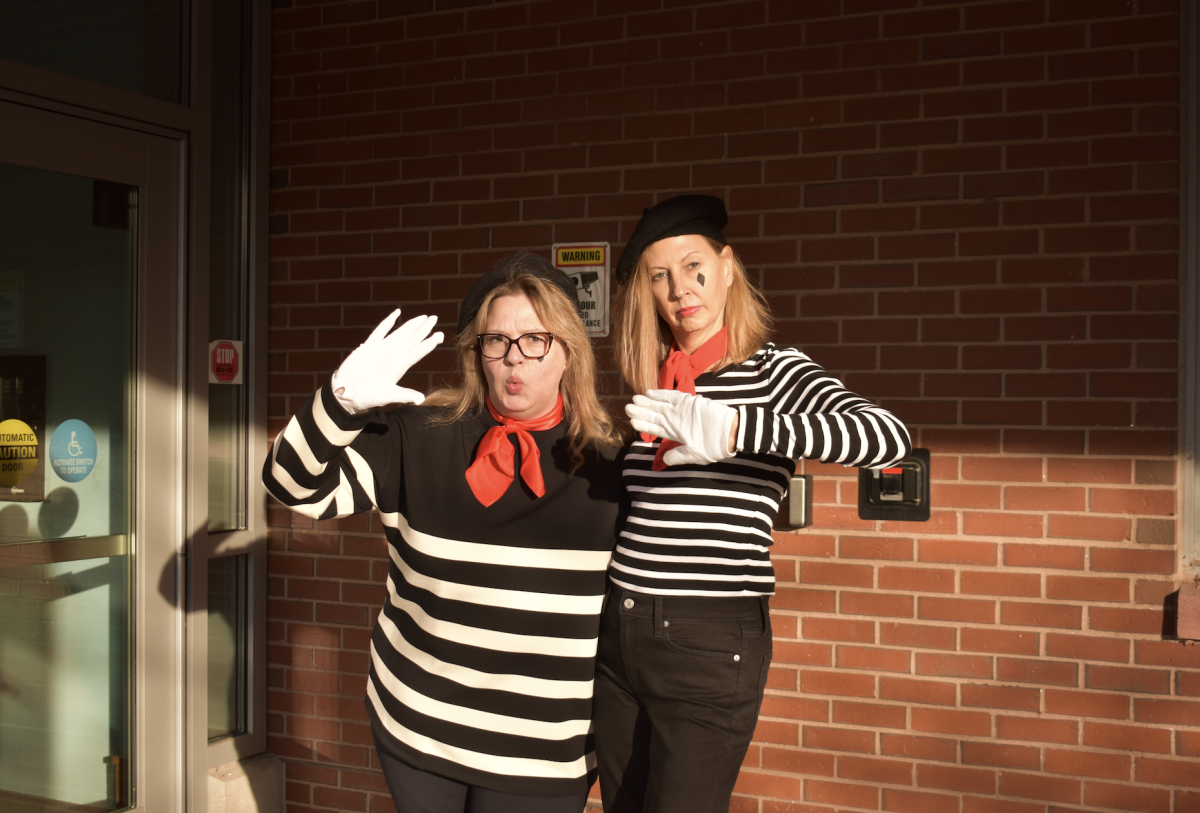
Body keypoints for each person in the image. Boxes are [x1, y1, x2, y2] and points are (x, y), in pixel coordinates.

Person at [263, 253, 625, 813]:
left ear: (568, 351)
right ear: (476, 352)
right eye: (495, 340)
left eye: (535, 340)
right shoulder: (419, 436)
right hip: (419, 726)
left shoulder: (609, 470)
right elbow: (291, 486)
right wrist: (336, 402)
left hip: (542, 753)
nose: (513, 358)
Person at [594, 195, 911, 813]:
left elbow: (887, 438)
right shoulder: (659, 386)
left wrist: (740, 429)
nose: (680, 289)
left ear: (728, 266)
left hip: (708, 639)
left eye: (692, 266)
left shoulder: (776, 371)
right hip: (620, 635)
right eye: (660, 276)